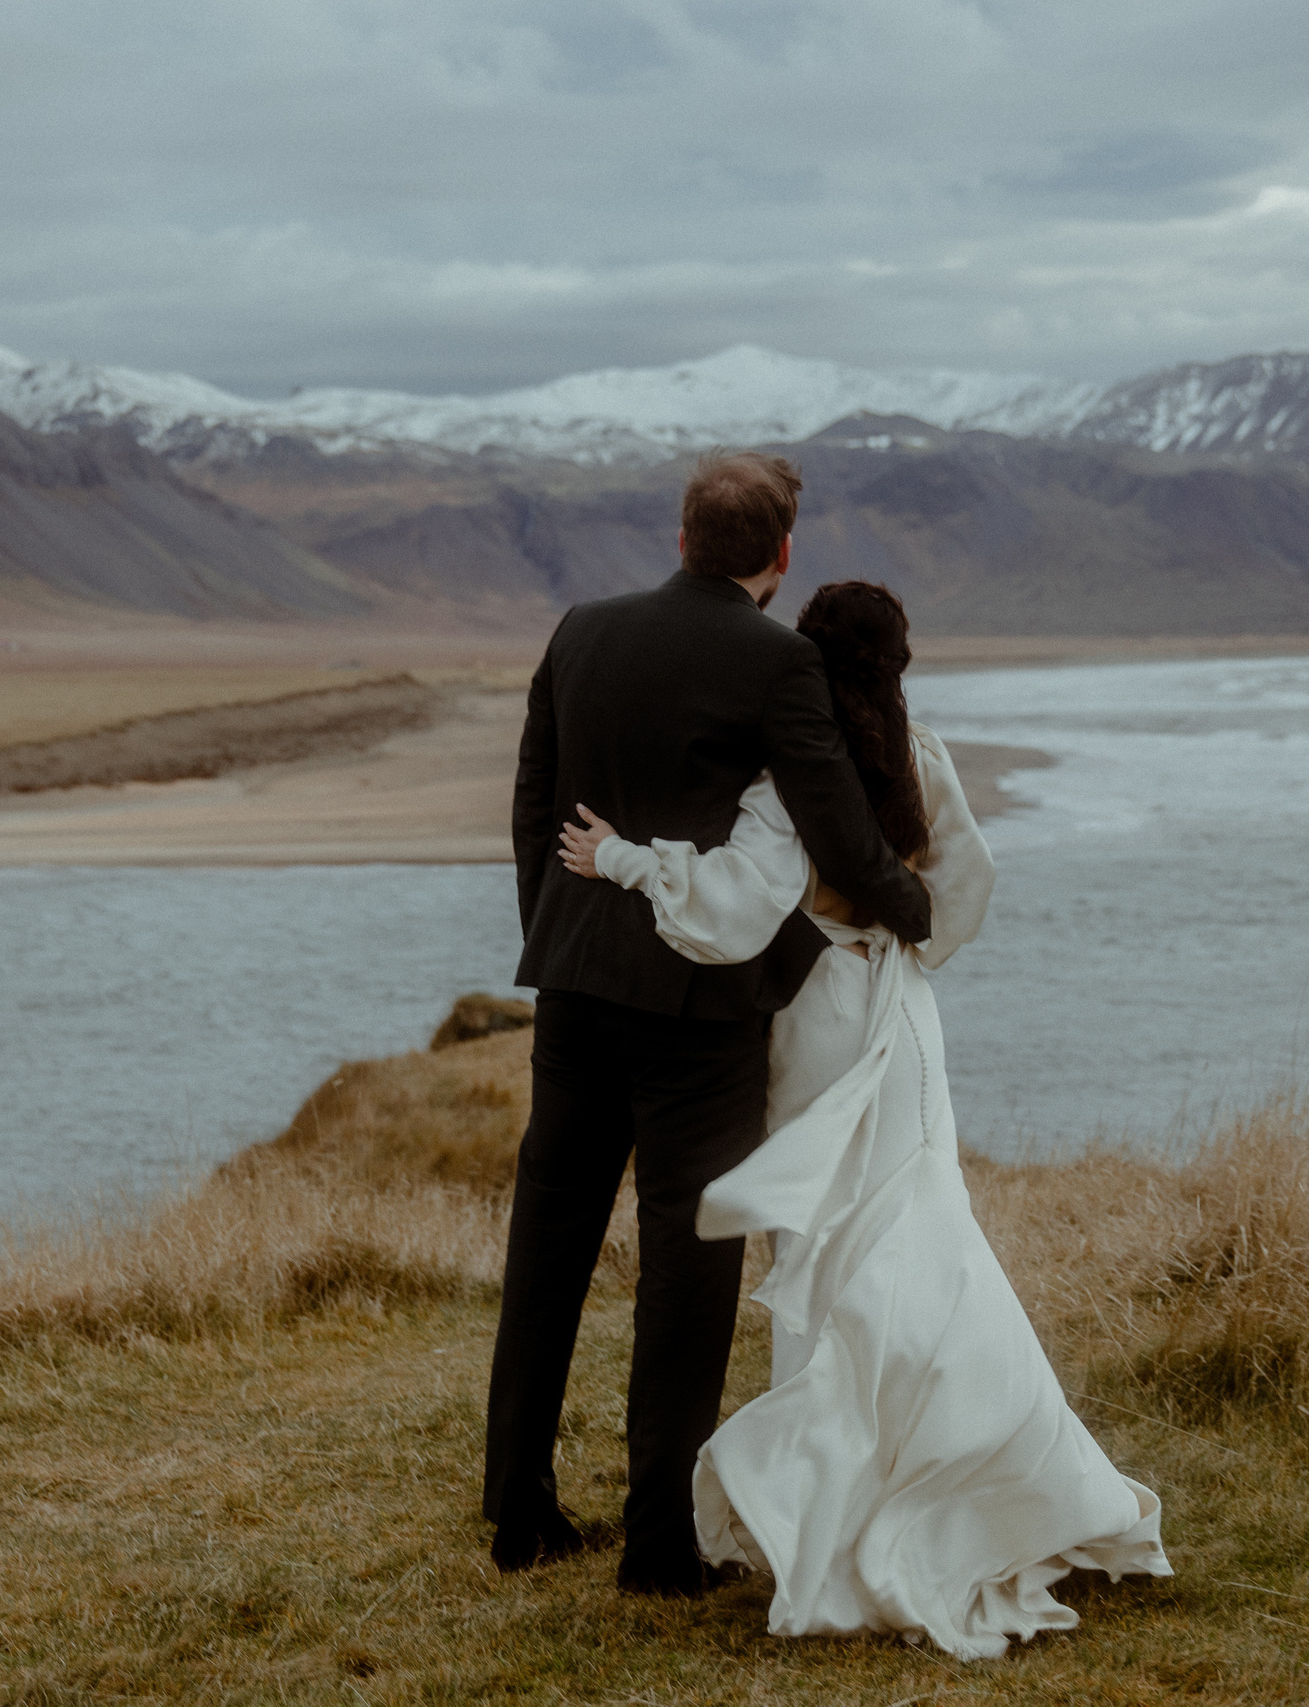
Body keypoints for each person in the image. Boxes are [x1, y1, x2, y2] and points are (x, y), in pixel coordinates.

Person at [555, 579, 1173, 1658]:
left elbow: (738, 908)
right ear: (897, 664)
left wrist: (618, 857)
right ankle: (990, 1473)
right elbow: (960, 895)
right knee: (927, 1235)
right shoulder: (919, 756)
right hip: (904, 1016)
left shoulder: (788, 771)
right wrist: (908, 949)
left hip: (820, 1016)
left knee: (831, 1244)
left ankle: (841, 1509)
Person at [486, 452, 935, 1596]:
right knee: (689, 1267)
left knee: (548, 1248)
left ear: (682, 533)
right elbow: (832, 824)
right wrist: (909, 904)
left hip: (575, 987)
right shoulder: (778, 661)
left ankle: (518, 1511)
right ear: (780, 557)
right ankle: (657, 1545)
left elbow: (534, 803)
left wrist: (557, 934)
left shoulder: (580, 628)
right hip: (698, 1011)